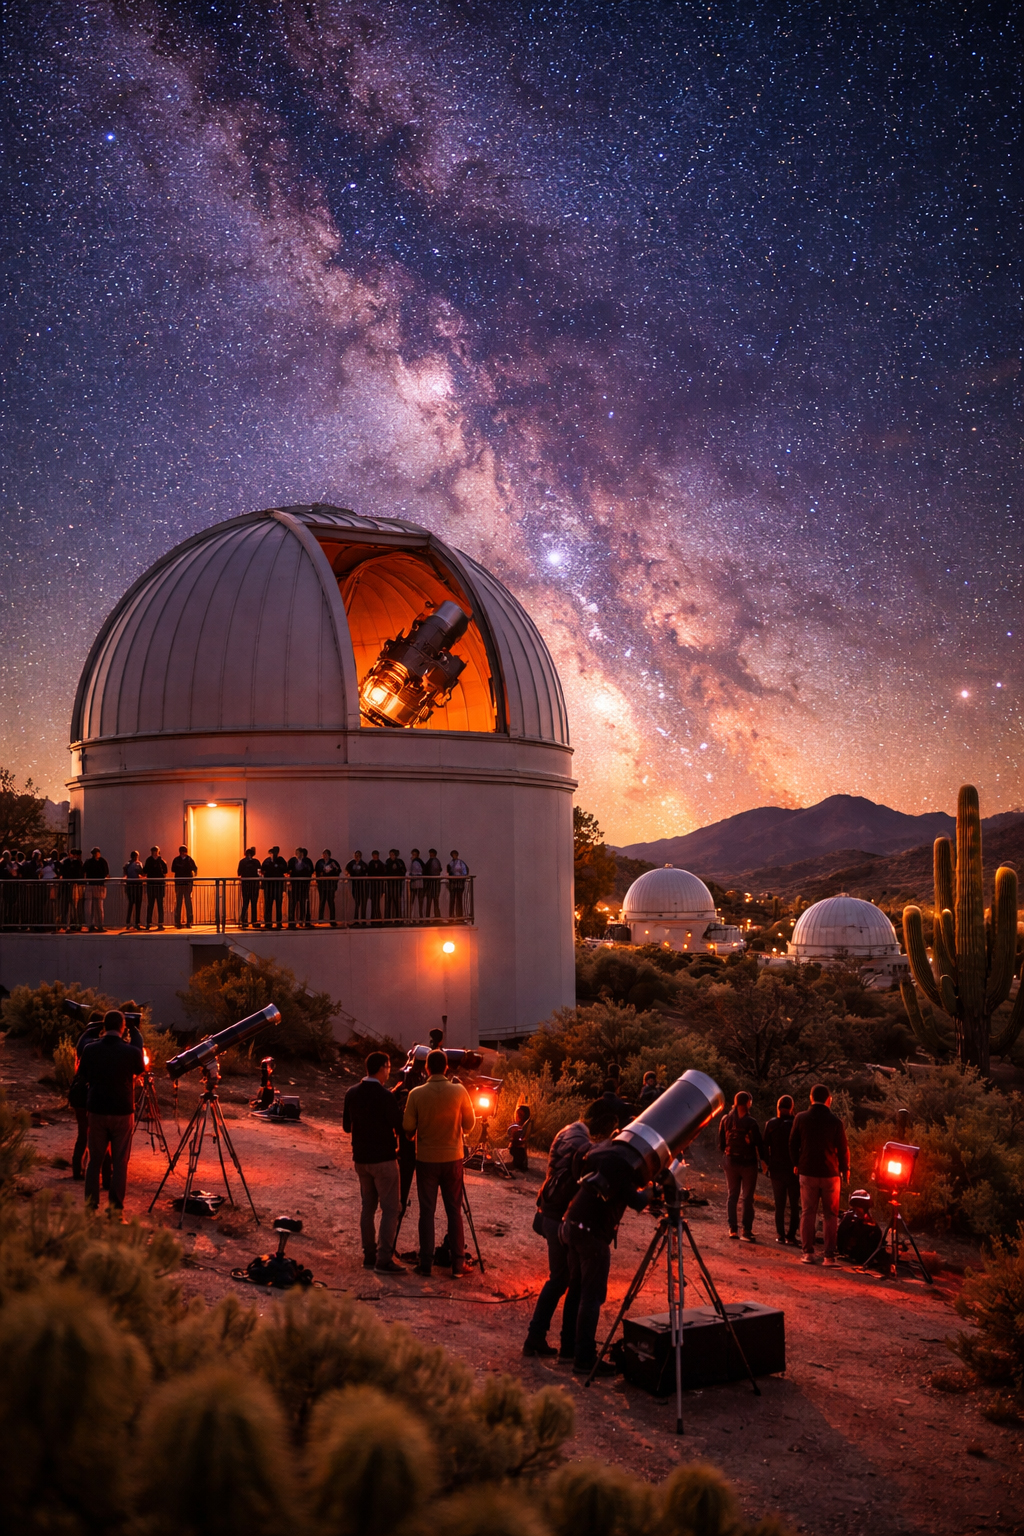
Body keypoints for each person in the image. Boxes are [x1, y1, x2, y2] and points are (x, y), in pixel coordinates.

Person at [522, 1101, 619, 1358]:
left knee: (565, 1281)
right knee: (561, 1281)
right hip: (558, 1220)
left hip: (548, 1215)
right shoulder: (582, 1149)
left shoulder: (564, 1140)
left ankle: (555, 1342)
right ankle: (538, 1337)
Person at [561, 1124, 654, 1376]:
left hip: (571, 1224)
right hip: (592, 1236)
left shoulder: (604, 1154)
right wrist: (657, 1187)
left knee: (576, 1291)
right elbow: (637, 1201)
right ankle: (584, 1359)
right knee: (591, 1298)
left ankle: (567, 1349)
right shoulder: (621, 1166)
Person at [402, 1049, 476, 1277]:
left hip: (426, 1160)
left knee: (427, 1211)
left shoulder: (416, 1094)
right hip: (453, 1159)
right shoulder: (459, 1091)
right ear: (446, 1068)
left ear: (426, 1069)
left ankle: (425, 1264)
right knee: (454, 1211)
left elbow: (407, 1128)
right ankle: (457, 1265)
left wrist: (414, 1135)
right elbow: (470, 1125)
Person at [342, 1051, 407, 1274]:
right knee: (391, 1209)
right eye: (388, 1067)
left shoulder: (352, 1093)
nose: (389, 1071)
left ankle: (369, 1255)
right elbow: (400, 1128)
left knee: (367, 1207)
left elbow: (346, 1127)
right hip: (384, 1160)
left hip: (361, 1159)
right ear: (381, 1068)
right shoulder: (385, 1096)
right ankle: (384, 1258)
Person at [77, 1009, 145, 1215]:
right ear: (123, 1028)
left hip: (96, 1110)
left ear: (104, 1027)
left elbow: (83, 1075)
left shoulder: (90, 1049)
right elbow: (140, 1069)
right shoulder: (131, 1051)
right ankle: (115, 1209)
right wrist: (136, 1033)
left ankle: (90, 1206)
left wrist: (93, 1029)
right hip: (123, 1112)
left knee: (94, 1161)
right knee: (120, 1161)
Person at [791, 1084, 850, 1267]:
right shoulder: (836, 1122)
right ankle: (829, 1256)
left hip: (807, 1171)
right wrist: (845, 1169)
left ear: (811, 1097)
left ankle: (808, 1253)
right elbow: (843, 1149)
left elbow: (792, 1142)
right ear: (829, 1099)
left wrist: (796, 1164)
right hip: (830, 1174)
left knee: (808, 1212)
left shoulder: (801, 1118)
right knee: (830, 1215)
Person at [718, 1090, 764, 1242]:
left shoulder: (726, 1119)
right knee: (747, 1198)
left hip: (730, 1161)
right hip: (748, 1163)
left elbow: (721, 1144)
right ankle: (747, 1230)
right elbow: (759, 1143)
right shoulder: (751, 1122)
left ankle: (732, 1229)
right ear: (748, 1103)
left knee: (732, 1196)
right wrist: (764, 1161)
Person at [68, 1009, 106, 1181]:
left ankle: (77, 1169)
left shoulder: (83, 1040)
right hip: (92, 1094)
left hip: (79, 1093)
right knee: (101, 1136)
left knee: (82, 1133)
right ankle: (104, 1173)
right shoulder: (94, 1044)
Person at [763, 1094, 801, 1245]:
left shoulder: (771, 1124)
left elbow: (765, 1145)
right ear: (792, 1107)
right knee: (794, 1205)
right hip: (793, 1170)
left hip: (776, 1170)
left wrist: (766, 1163)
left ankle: (780, 1234)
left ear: (778, 1107)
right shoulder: (796, 1124)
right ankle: (791, 1236)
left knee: (779, 1204)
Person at [83, 847, 110, 931]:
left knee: (97, 907)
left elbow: (106, 873)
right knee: (92, 907)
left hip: (96, 885)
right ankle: (93, 925)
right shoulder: (97, 862)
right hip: (94, 885)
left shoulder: (99, 862)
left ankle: (97, 925)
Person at [59, 847, 85, 931]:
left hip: (70, 885)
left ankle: (70, 923)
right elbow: (78, 873)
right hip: (72, 885)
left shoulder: (67, 862)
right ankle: (71, 923)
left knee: (72, 906)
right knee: (72, 906)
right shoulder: (75, 863)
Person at [287, 847, 314, 928]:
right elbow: (288, 869)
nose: (299, 855)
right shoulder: (292, 861)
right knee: (293, 904)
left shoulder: (307, 861)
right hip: (295, 885)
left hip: (304, 885)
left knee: (303, 903)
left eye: (300, 853)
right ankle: (291, 922)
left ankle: (302, 920)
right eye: (298, 853)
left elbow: (311, 870)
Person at [261, 846, 287, 928]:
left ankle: (278, 922)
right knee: (268, 904)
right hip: (269, 887)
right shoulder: (267, 861)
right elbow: (262, 870)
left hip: (278, 886)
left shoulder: (281, 860)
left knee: (278, 905)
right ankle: (268, 922)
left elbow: (285, 869)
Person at [143, 845, 167, 930]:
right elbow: (145, 870)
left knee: (159, 905)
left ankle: (160, 923)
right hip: (153, 885)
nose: (155, 853)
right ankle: (149, 923)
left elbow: (165, 871)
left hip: (158, 885)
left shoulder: (160, 861)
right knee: (151, 905)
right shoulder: (150, 860)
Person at [238, 846, 262, 929]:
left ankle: (243, 920)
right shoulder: (256, 862)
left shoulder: (242, 862)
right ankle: (254, 921)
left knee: (245, 903)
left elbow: (238, 872)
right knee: (254, 903)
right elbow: (260, 873)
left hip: (245, 885)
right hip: (254, 885)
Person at [315, 849, 341, 925]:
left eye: (326, 854)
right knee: (322, 901)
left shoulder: (333, 862)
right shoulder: (320, 862)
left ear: (329, 855)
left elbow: (338, 871)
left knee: (331, 902)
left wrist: (335, 867)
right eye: (324, 854)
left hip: (330, 885)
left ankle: (332, 920)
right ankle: (320, 919)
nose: (325, 855)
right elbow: (317, 872)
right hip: (322, 885)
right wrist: (318, 882)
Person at [346, 850, 369, 924]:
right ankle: (356, 920)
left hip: (362, 885)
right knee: (357, 903)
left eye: (358, 856)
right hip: (355, 885)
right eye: (356, 856)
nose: (357, 857)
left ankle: (363, 920)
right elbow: (347, 869)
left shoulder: (363, 864)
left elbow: (366, 872)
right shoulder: (351, 863)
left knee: (363, 903)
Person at [123, 850, 144, 930]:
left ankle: (133, 922)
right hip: (134, 885)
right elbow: (142, 873)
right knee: (133, 904)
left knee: (134, 904)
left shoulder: (128, 864)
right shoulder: (137, 864)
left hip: (134, 885)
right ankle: (133, 922)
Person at [384, 848, 406, 922]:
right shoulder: (388, 861)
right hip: (390, 884)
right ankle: (388, 919)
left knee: (397, 900)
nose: (391, 856)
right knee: (388, 901)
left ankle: (398, 918)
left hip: (397, 884)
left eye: (393, 854)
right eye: (390, 854)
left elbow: (403, 870)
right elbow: (385, 871)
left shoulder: (399, 862)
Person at [447, 850, 468, 918]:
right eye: (453, 855)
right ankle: (451, 915)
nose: (454, 856)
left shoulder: (461, 863)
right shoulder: (451, 863)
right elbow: (449, 871)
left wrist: (462, 878)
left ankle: (459, 915)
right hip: (453, 883)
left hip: (459, 882)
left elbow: (465, 871)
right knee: (452, 899)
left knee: (459, 899)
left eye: (455, 854)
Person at [367, 850, 386, 922]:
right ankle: (373, 918)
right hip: (373, 886)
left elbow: (383, 873)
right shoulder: (371, 864)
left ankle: (378, 918)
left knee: (377, 903)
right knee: (373, 903)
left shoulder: (381, 864)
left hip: (378, 886)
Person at [423, 849, 443, 920]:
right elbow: (440, 869)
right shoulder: (436, 861)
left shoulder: (432, 861)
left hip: (432, 883)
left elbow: (428, 870)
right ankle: (436, 916)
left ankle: (429, 917)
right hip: (435, 883)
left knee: (430, 900)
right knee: (435, 900)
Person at [408, 848, 425, 919]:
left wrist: (411, 875)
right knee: (420, 901)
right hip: (420, 883)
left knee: (413, 901)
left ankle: (413, 917)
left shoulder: (415, 862)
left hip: (415, 883)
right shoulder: (420, 862)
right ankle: (420, 917)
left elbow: (415, 872)